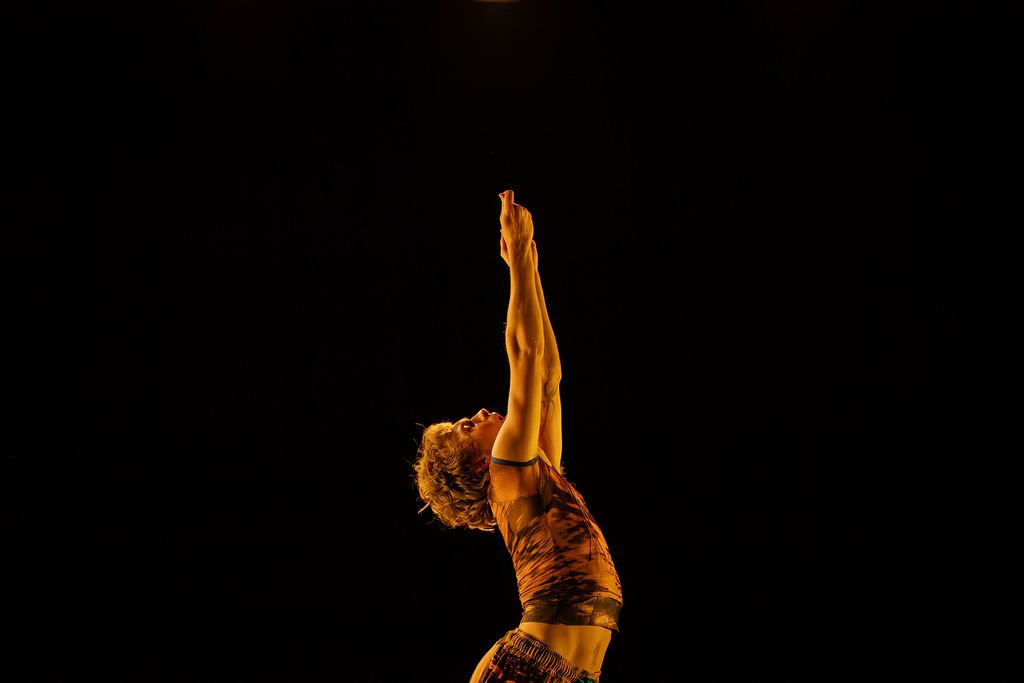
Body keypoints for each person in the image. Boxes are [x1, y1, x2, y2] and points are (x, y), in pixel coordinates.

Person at [412, 189, 623, 683]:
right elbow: (524, 355)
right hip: (528, 669)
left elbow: (547, 375)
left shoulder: (534, 472)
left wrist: (528, 263)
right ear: (479, 462)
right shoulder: (506, 469)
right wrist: (519, 259)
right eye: (468, 426)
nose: (481, 412)